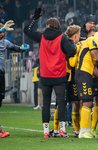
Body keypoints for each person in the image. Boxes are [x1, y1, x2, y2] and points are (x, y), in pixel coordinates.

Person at [23, 8, 76, 138]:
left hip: (45, 76)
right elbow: (73, 51)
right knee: (61, 102)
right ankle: (62, 130)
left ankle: (46, 132)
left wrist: (34, 18)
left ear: (47, 25)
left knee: (46, 104)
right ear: (58, 26)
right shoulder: (62, 38)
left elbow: (26, 30)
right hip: (59, 75)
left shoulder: (41, 37)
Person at [0, 20, 29, 138]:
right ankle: (0, 131)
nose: (2, 34)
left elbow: (16, 48)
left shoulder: (5, 43)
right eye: (0, 32)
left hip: (1, 75)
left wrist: (23, 48)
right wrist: (1, 29)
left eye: (3, 32)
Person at [75, 29, 98, 138]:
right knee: (87, 102)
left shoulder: (94, 45)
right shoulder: (92, 40)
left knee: (89, 103)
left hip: (86, 75)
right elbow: (97, 57)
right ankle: (83, 132)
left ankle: (86, 130)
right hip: (83, 74)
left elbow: (94, 68)